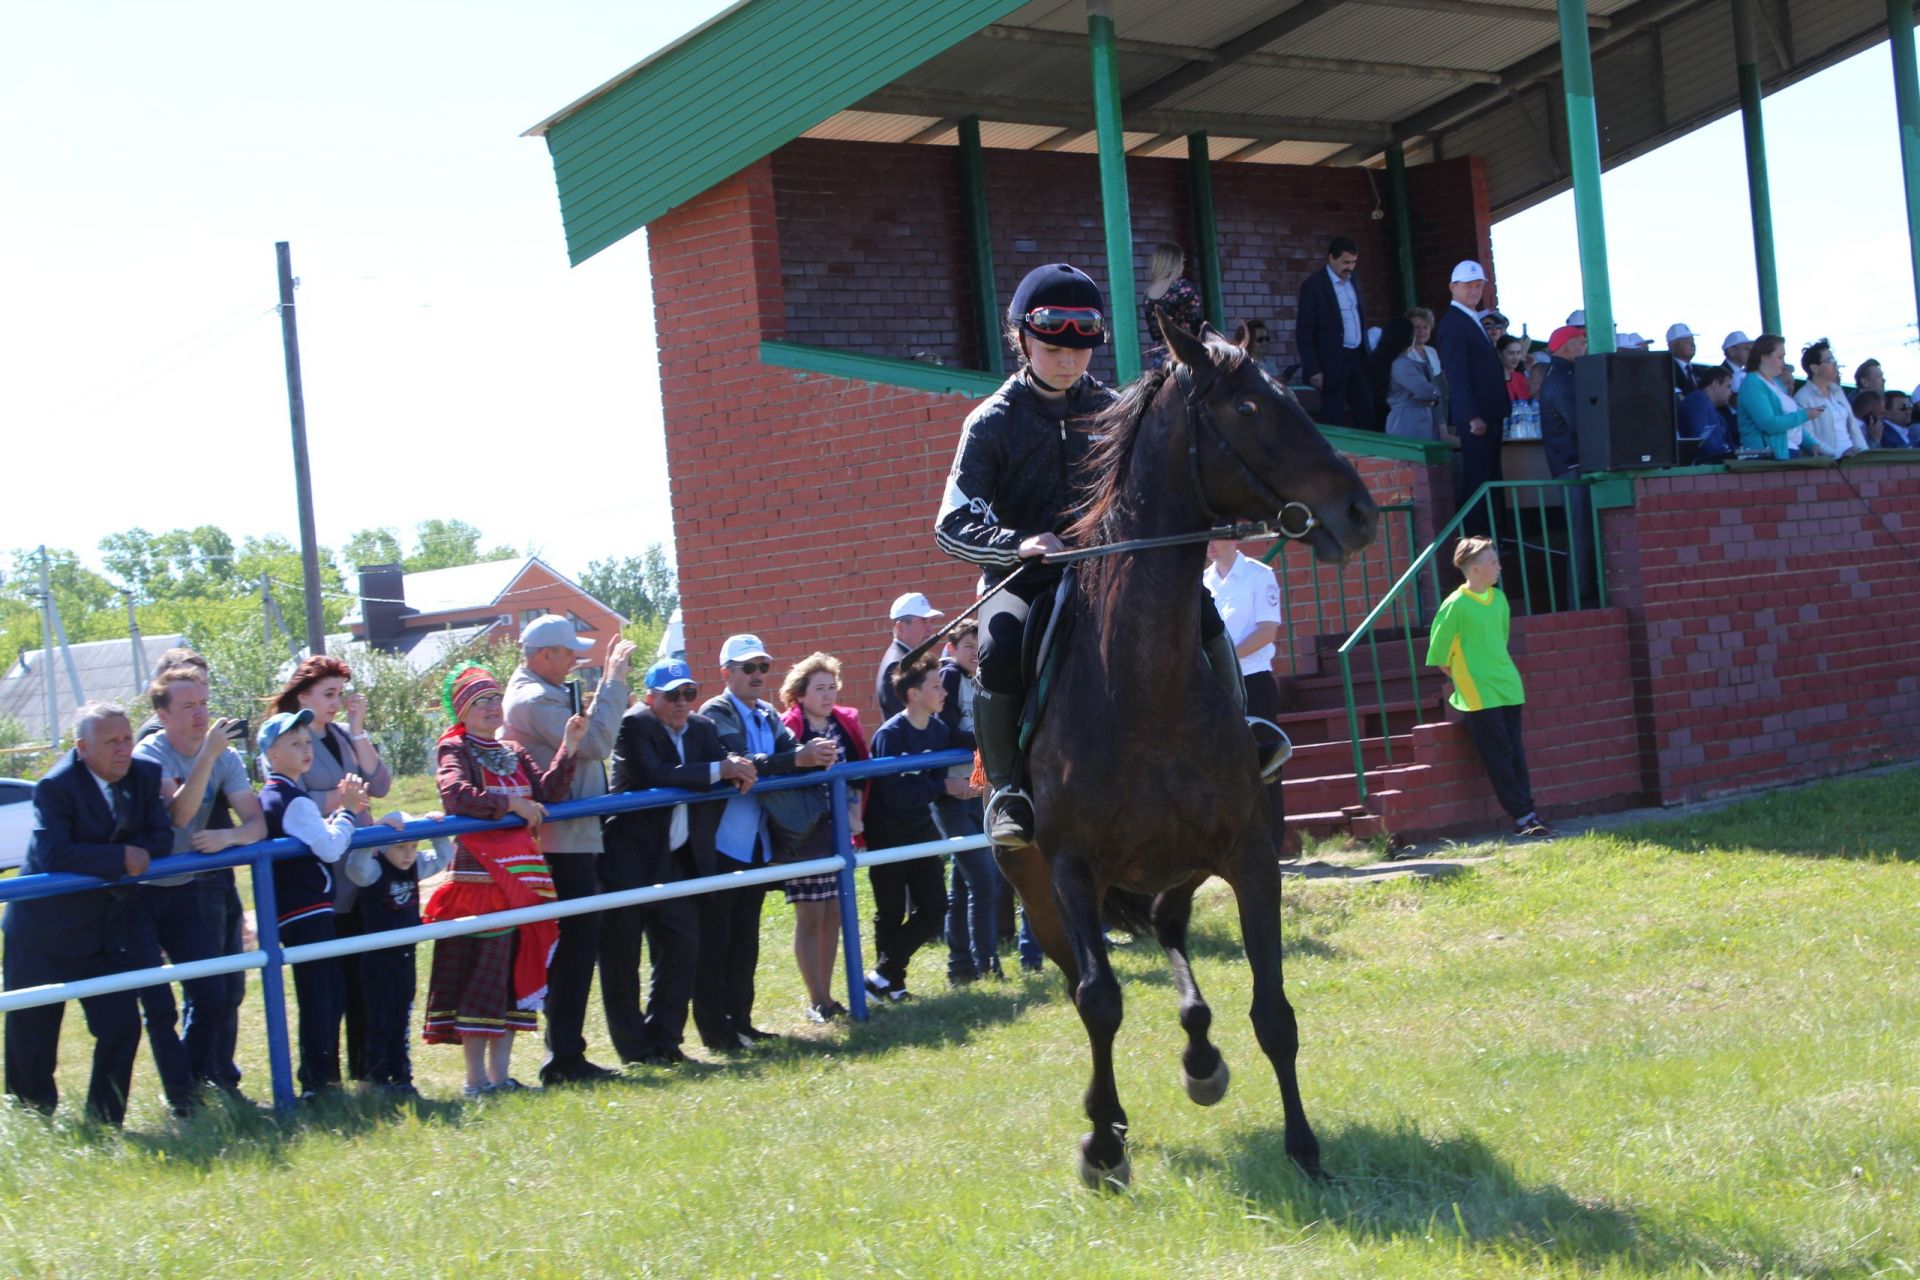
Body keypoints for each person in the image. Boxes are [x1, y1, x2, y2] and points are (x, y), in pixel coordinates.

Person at [937, 261, 1243, 847]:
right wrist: (1017, 545)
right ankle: (1005, 791)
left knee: (1198, 608)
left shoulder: (1116, 408)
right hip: (1024, 577)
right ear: (1021, 338)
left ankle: (1240, 731)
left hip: (1113, 567)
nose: (1068, 359)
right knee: (998, 650)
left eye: (1080, 349)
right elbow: (951, 525)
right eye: (1052, 346)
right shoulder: (989, 423)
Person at [421, 664, 584, 1099]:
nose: (492, 707)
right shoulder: (454, 748)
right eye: (481, 701)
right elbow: (455, 796)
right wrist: (511, 803)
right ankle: (475, 1080)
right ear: (463, 709)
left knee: (512, 974)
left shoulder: (512, 749)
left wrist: (569, 745)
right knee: (482, 975)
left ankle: (502, 1075)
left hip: (523, 879)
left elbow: (547, 793)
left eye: (495, 698)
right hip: (479, 879)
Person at [3, 702, 168, 1127]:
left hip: (105, 933)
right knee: (33, 1041)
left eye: (127, 738)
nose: (123, 749)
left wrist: (136, 854)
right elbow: (54, 852)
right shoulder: (55, 786)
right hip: (41, 934)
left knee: (121, 1026)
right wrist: (121, 856)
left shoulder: (144, 775)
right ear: (82, 747)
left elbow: (160, 839)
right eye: (110, 741)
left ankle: (103, 1124)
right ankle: (31, 1127)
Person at [503, 617, 636, 1087]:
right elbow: (597, 743)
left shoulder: (547, 691)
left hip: (575, 836)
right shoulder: (533, 699)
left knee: (580, 946)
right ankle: (562, 1058)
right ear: (543, 655)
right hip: (560, 843)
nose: (576, 658)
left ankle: (567, 1054)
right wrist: (614, 681)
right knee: (573, 948)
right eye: (567, 652)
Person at [601, 659, 755, 1065]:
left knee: (683, 949)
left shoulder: (702, 727)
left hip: (677, 859)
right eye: (672, 695)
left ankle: (666, 1042)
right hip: (628, 860)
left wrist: (742, 769)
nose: (682, 703)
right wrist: (722, 769)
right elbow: (657, 773)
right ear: (650, 697)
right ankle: (634, 1051)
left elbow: (726, 763)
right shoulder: (634, 724)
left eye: (689, 693)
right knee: (623, 960)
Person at [130, 665, 264, 1110]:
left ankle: (195, 1088)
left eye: (204, 704)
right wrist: (206, 757)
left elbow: (257, 824)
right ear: (162, 715)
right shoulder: (151, 753)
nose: (200, 714)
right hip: (142, 893)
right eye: (187, 706)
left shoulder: (223, 755)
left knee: (216, 993)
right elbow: (180, 817)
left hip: (186, 886)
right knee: (160, 1007)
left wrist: (229, 837)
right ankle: (184, 1099)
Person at [697, 634, 837, 1051]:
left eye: (762, 667)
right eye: (747, 668)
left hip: (754, 843)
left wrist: (809, 753)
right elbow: (741, 761)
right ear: (726, 673)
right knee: (716, 941)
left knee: (746, 940)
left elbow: (787, 752)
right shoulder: (713, 712)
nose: (758, 675)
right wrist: (799, 758)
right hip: (720, 845)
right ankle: (716, 1032)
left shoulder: (766, 712)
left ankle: (741, 1023)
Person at [269, 655, 391, 1082]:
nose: (337, 703)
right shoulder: (290, 740)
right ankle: (322, 1078)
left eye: (340, 693)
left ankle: (363, 1069)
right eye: (328, 694)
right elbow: (295, 801)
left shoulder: (342, 735)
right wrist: (345, 800)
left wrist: (358, 732)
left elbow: (380, 783)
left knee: (360, 979)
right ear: (303, 696)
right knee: (324, 987)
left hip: (357, 869)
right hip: (322, 875)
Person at [1424, 537, 1554, 840]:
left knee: (1515, 753)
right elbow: (1441, 657)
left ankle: (1529, 813)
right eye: (1493, 561)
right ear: (1476, 568)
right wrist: (1468, 676)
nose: (1498, 566)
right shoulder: (1455, 605)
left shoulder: (1499, 600)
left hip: (1508, 687)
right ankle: (1522, 817)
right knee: (1499, 754)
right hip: (1478, 694)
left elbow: (1500, 640)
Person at [863, 657, 976, 1003]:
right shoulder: (891, 735)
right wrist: (944, 786)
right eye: (936, 686)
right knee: (891, 911)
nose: (944, 692)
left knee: (934, 908)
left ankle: (881, 973)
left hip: (921, 829)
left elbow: (967, 739)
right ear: (913, 695)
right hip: (886, 832)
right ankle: (892, 985)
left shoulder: (939, 728)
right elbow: (894, 794)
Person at [777, 653, 870, 1022]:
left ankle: (829, 997)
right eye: (819, 688)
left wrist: (855, 818)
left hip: (839, 833)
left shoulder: (843, 724)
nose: (828, 694)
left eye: (832, 687)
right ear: (800, 694)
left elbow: (859, 773)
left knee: (835, 914)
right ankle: (816, 999)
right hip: (804, 836)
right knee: (811, 916)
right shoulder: (789, 728)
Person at [343, 817, 453, 1097]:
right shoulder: (373, 870)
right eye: (401, 846)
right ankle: (378, 1078)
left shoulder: (415, 865)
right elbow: (355, 867)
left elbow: (443, 858)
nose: (408, 853)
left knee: (402, 1018)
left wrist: (434, 826)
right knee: (379, 1020)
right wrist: (377, 833)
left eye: (414, 846)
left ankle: (403, 1076)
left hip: (406, 954)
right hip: (377, 959)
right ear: (382, 848)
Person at [1203, 538, 1288, 842]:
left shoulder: (1259, 575)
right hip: (1216, 686)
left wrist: (1226, 657)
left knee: (1263, 764)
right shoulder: (1203, 582)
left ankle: (1272, 840)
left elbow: (1266, 631)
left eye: (1215, 535)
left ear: (1233, 536)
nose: (1209, 543)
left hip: (1253, 681)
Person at [932, 623, 993, 985]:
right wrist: (983, 738)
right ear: (952, 648)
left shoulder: (979, 679)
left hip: (975, 789)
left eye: (978, 646)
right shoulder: (951, 677)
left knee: (963, 883)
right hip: (952, 794)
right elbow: (947, 730)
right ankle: (986, 962)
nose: (974, 653)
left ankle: (960, 966)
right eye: (968, 645)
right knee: (983, 882)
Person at [1435, 260, 1508, 533]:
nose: (1474, 291)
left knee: (1490, 477)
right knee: (1478, 480)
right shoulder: (1453, 323)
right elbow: (1457, 373)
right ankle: (1476, 542)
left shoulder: (1471, 319)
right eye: (1468, 285)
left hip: (1489, 412)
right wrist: (1472, 415)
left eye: (1478, 286)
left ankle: (1491, 538)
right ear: (1453, 287)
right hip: (1477, 418)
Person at [1538, 323, 1598, 605]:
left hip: (1573, 466)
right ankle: (1580, 602)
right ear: (1566, 347)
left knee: (1586, 536)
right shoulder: (1561, 380)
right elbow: (1580, 422)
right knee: (1581, 538)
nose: (1585, 345)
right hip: (1572, 468)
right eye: (1580, 341)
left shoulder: (1564, 375)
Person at [1295, 235, 1375, 429]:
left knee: (1367, 412)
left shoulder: (1353, 280)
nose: (1350, 267)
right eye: (1345, 262)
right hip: (1331, 359)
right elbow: (1304, 332)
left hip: (1356, 354)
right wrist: (1314, 369)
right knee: (1334, 414)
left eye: (1354, 262)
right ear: (1332, 258)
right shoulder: (1314, 286)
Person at [1736, 334, 1823, 459]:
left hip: (1788, 451)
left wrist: (1811, 444)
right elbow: (1769, 424)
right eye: (1780, 357)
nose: (1783, 362)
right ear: (1764, 357)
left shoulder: (1777, 384)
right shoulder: (1752, 383)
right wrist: (1805, 415)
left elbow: (1791, 423)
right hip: (1766, 457)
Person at [1376, 312, 1446, 442]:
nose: (1418, 333)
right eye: (1414, 330)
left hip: (1412, 421)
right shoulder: (1402, 365)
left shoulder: (1397, 361)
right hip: (1409, 424)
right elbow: (1427, 392)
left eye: (1425, 327)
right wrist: (1436, 392)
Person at [875, 592, 943, 719]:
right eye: (923, 622)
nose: (930, 629)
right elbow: (908, 722)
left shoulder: (907, 658)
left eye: (931, 621)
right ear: (900, 627)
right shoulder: (896, 665)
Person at [1795, 340, 1866, 457]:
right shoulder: (1802, 398)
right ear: (1814, 368)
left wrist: (1864, 453)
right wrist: (1838, 454)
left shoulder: (1838, 392)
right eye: (1829, 360)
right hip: (1831, 463)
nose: (1835, 364)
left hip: (1854, 458)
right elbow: (1808, 437)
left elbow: (1854, 429)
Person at [1141, 242, 1204, 368]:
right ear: (1174, 264)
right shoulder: (1182, 288)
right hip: (1185, 357)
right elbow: (1196, 325)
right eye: (1181, 261)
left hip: (1159, 361)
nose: (1183, 266)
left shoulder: (1148, 294)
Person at [1677, 365, 1739, 461]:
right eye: (1728, 386)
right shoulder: (1697, 403)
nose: (1730, 392)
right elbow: (1702, 442)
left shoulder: (1707, 404)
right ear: (1715, 384)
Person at [1498, 334, 1531, 407]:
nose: (1515, 358)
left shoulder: (1520, 377)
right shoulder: (1492, 380)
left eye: (1518, 353)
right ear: (1499, 353)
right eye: (1511, 353)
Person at [1666, 323, 1700, 395]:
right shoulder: (1666, 370)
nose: (1692, 345)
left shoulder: (1699, 371)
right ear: (1672, 345)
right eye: (1686, 342)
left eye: (1692, 341)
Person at [1721, 331, 1753, 398]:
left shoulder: (1744, 372)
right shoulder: (1721, 375)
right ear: (1732, 351)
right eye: (1746, 348)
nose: (1751, 352)